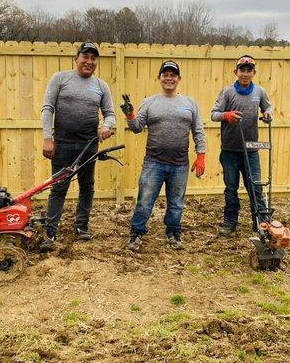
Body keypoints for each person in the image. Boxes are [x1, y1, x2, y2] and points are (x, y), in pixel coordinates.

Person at [120, 60, 206, 251]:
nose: (169, 78)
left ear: (179, 79)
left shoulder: (189, 103)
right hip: (154, 163)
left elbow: (198, 131)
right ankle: (136, 233)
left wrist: (201, 154)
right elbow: (136, 128)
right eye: (165, 74)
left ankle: (174, 232)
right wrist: (130, 115)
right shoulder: (149, 102)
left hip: (180, 164)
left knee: (176, 203)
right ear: (159, 78)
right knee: (145, 200)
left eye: (173, 75)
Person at [39, 42, 116, 252]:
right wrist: (48, 138)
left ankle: (82, 226)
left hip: (88, 145)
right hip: (62, 144)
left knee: (87, 187)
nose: (89, 61)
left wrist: (106, 126)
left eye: (93, 58)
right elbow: (47, 109)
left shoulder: (101, 86)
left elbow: (110, 114)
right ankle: (50, 231)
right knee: (58, 188)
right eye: (85, 57)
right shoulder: (60, 79)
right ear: (77, 58)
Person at [211, 55, 273, 236]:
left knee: (255, 186)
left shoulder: (259, 92)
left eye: (249, 70)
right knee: (231, 188)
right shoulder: (227, 92)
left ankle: (261, 221)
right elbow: (214, 114)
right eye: (242, 70)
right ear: (235, 72)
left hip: (251, 148)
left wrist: (268, 114)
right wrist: (227, 115)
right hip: (230, 149)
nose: (245, 74)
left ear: (254, 72)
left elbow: (268, 108)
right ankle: (230, 223)